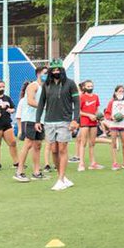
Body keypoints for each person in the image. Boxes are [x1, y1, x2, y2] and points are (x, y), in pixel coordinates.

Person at [34, 59, 81, 191]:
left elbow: (77, 103)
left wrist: (75, 120)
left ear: (62, 70)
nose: (56, 72)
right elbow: (41, 103)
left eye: (58, 69)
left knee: (62, 149)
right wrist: (38, 121)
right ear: (50, 71)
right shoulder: (46, 85)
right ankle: (63, 176)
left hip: (64, 121)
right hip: (49, 121)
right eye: (53, 69)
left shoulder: (70, 84)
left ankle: (60, 179)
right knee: (53, 150)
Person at [15, 69, 49, 182]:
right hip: (30, 119)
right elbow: (30, 101)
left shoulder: (46, 87)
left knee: (38, 145)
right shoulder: (33, 86)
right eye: (45, 73)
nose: (47, 75)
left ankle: (36, 172)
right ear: (38, 74)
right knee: (28, 144)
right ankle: (19, 171)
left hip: (41, 120)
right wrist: (44, 107)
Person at [103, 84, 124, 170]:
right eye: (120, 91)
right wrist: (111, 118)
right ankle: (115, 163)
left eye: (123, 91)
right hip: (114, 124)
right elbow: (107, 113)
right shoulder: (111, 102)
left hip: (122, 124)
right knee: (114, 144)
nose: (121, 93)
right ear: (115, 92)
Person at [75, 79, 103, 171]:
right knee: (83, 143)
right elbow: (78, 111)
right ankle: (81, 164)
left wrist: (98, 116)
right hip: (85, 123)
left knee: (92, 143)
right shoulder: (81, 97)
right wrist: (89, 115)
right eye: (88, 86)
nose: (90, 88)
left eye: (91, 86)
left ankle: (93, 163)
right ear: (84, 87)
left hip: (94, 123)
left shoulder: (96, 97)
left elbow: (97, 109)